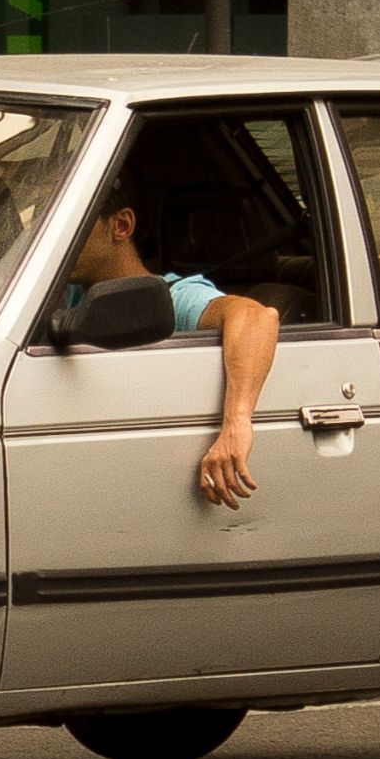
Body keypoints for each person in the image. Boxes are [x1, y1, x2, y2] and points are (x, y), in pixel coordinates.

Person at [66, 173, 279, 510]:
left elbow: (257, 317)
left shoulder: (176, 297)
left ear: (120, 226)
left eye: (72, 225)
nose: (59, 241)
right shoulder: (68, 290)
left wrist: (237, 423)